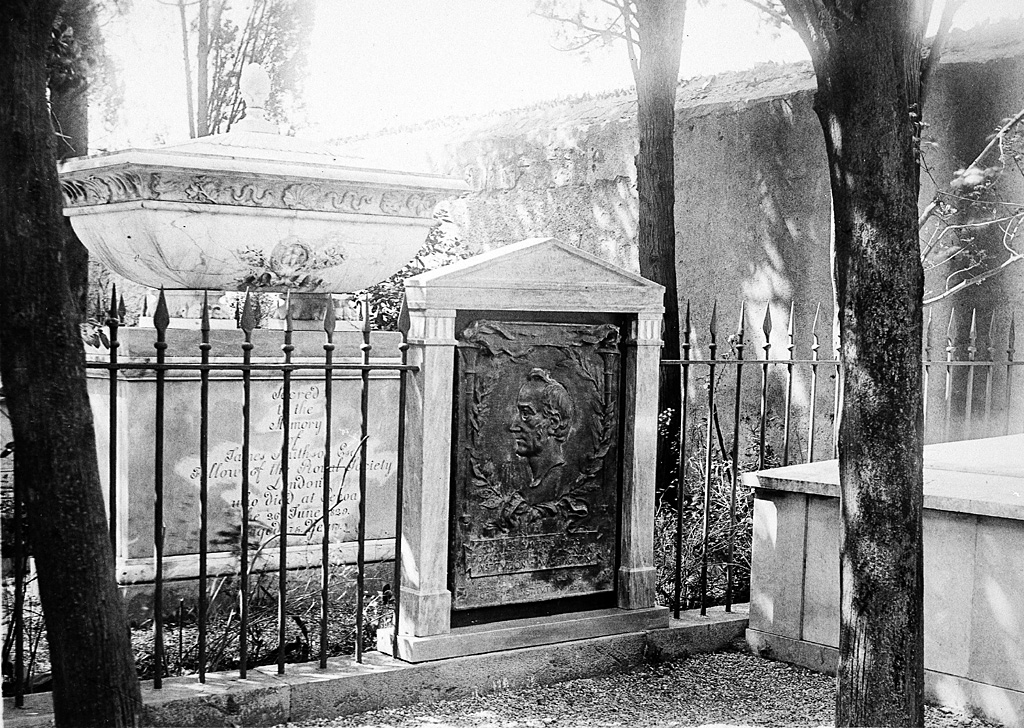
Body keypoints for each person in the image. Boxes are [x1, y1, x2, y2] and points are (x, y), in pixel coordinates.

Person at [508, 368, 575, 505]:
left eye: (526, 414)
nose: (513, 426)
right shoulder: (532, 483)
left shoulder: (561, 483)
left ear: (553, 423)